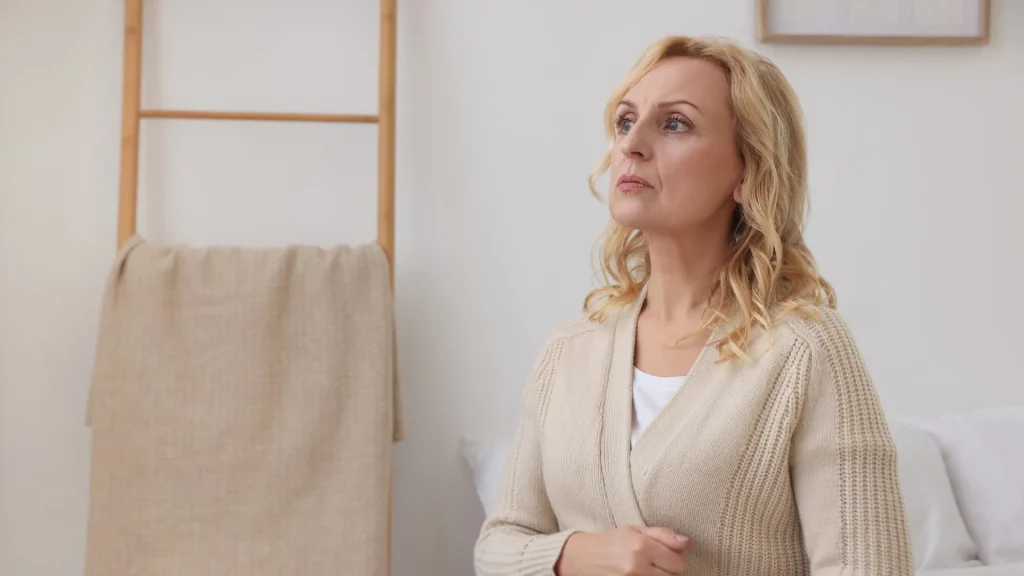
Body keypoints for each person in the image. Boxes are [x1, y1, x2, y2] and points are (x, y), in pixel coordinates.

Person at [473, 35, 913, 576]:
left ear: (747, 171)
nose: (632, 144)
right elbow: (498, 545)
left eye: (675, 123)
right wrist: (575, 554)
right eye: (626, 121)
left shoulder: (804, 352)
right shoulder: (570, 351)